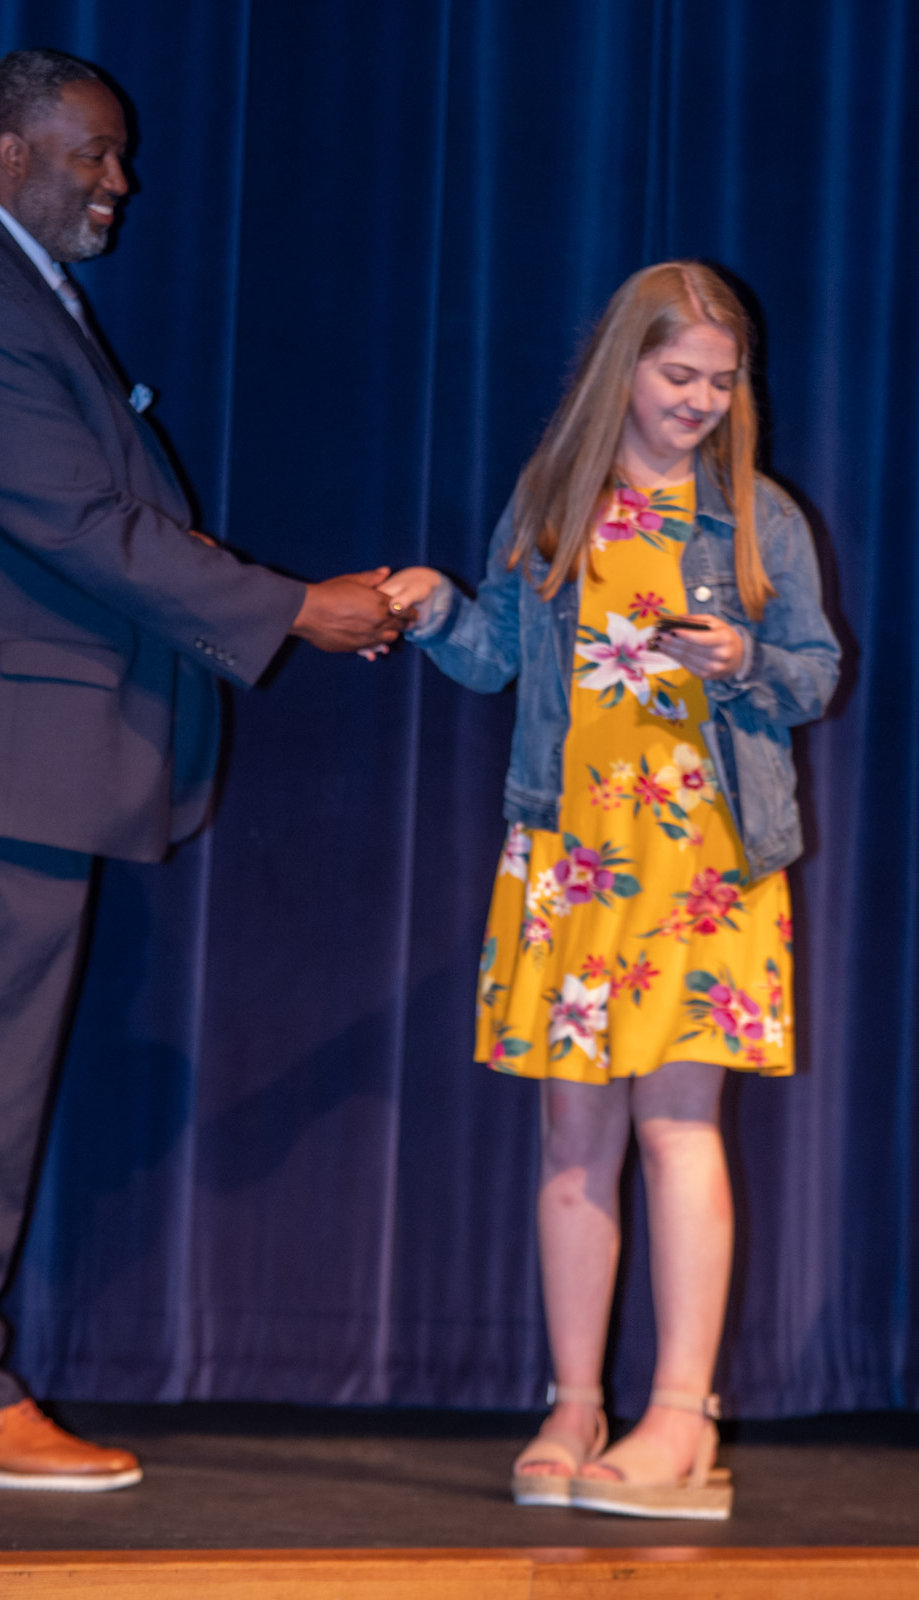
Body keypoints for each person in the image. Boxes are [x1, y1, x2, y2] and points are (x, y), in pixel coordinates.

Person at [0, 48, 410, 1492]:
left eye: (119, 154)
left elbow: (78, 513)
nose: (122, 181)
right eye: (94, 153)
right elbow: (79, 526)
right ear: (11, 151)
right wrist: (294, 606)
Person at [377, 262, 840, 1519]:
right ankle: (574, 1401)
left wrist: (745, 657)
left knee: (679, 1126)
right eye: (678, 374)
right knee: (573, 1137)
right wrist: (435, 608)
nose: (700, 401)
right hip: (573, 851)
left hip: (703, 858)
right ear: (621, 369)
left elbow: (814, 675)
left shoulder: (757, 516)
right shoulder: (553, 500)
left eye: (722, 383)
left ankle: (681, 1417)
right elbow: (495, 658)